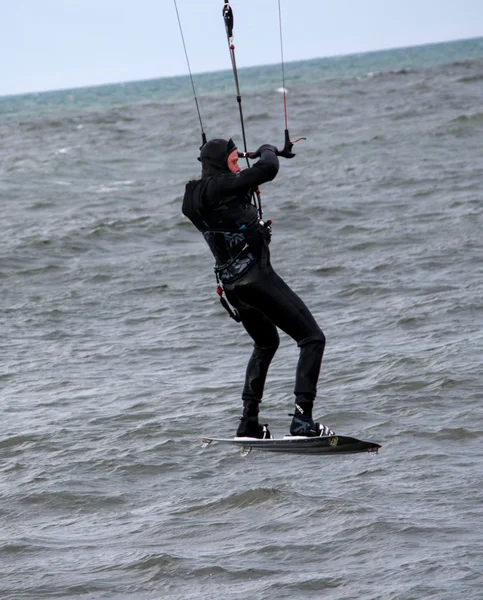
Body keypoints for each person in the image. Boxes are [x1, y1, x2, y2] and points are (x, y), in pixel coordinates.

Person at [182, 138, 334, 439]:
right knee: (312, 339)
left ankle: (248, 422)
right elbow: (268, 168)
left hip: (233, 286)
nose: (238, 166)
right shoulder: (224, 186)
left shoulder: (192, 197)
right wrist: (268, 148)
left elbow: (229, 207)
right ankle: (303, 420)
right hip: (257, 279)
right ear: (221, 163)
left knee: (266, 344)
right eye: (235, 161)